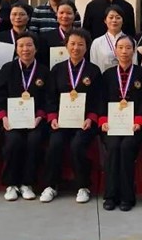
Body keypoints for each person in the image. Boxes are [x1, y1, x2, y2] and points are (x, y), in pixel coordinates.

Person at [40, 29, 102, 204]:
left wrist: (91, 118)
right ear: (66, 45)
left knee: (77, 145)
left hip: (85, 122)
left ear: (86, 47)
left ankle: (83, 186)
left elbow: (98, 99)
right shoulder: (57, 69)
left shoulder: (93, 70)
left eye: (80, 44)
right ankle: (51, 185)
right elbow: (50, 97)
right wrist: (53, 118)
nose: (76, 48)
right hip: (61, 121)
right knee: (55, 144)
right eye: (72, 44)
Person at [0, 32, 51, 202]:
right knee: (13, 142)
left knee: (34, 141)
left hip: (36, 121)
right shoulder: (7, 69)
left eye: (29, 45)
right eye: (21, 46)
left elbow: (48, 99)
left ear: (36, 48)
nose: (25, 49)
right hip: (11, 121)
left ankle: (27, 183)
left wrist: (40, 116)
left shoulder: (44, 70)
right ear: (16, 49)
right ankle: (11, 184)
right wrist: (3, 117)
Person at [99, 35, 142, 211]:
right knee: (113, 147)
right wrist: (103, 121)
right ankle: (110, 195)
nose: (124, 51)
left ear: (134, 51)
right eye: (120, 48)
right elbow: (101, 100)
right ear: (115, 50)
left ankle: (127, 196)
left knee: (127, 147)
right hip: (111, 125)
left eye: (128, 48)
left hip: (135, 126)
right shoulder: (107, 75)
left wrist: (139, 121)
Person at [38, 0, 79, 68]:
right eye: (61, 13)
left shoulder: (81, 37)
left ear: (74, 15)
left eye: (69, 13)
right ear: (56, 14)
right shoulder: (45, 37)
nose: (65, 16)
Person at [89, 5, 127, 73]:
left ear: (123, 20)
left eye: (118, 18)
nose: (114, 20)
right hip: (103, 78)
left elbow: (134, 64)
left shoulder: (131, 42)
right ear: (105, 20)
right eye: (111, 17)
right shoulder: (97, 43)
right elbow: (93, 66)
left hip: (125, 78)